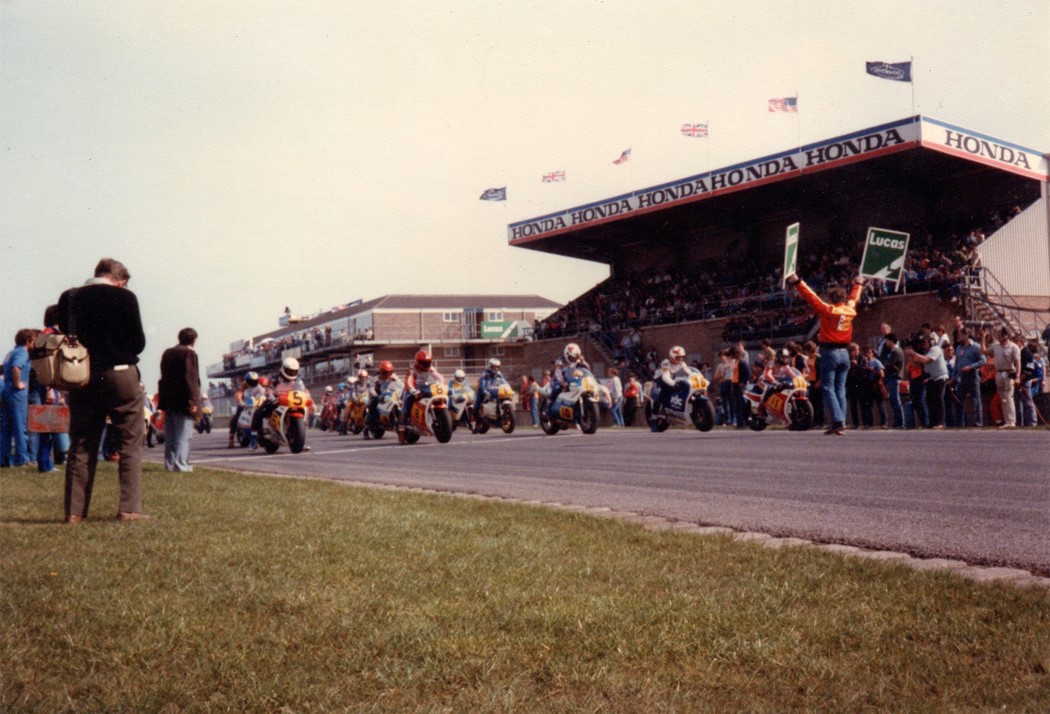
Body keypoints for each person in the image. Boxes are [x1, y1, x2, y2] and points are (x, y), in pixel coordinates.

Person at [58, 258, 147, 523]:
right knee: (130, 441)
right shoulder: (126, 297)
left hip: (82, 374)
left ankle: (75, 512)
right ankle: (129, 509)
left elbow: (66, 332)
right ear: (120, 280)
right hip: (121, 373)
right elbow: (138, 342)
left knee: (82, 443)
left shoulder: (70, 297)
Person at [786, 272, 864, 435]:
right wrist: (858, 284)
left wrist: (797, 281)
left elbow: (811, 297)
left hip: (830, 352)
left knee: (828, 387)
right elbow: (854, 298)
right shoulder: (849, 309)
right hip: (845, 354)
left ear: (831, 298)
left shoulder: (828, 310)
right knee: (840, 388)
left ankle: (838, 420)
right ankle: (841, 420)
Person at [157, 327, 202, 472]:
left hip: (168, 400)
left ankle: (169, 465)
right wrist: (193, 401)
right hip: (183, 401)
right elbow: (190, 379)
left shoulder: (167, 352)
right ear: (193, 340)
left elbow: (163, 376)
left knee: (170, 435)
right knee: (184, 434)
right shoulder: (189, 353)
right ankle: (182, 465)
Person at [1, 328, 36, 468]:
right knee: (20, 426)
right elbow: (17, 367)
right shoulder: (22, 352)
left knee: (6, 428)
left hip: (7, 390)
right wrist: (18, 384)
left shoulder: (11, 352)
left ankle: (3, 458)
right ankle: (23, 459)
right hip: (17, 393)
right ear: (28, 341)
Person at [401, 350, 444, 443]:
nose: (426, 364)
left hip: (424, 388)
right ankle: (401, 433)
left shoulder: (431, 369)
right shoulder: (412, 369)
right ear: (418, 362)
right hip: (412, 390)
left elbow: (439, 377)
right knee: (405, 408)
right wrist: (413, 391)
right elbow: (408, 381)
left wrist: (443, 384)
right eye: (424, 363)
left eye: (428, 362)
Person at [981, 327, 1021, 428]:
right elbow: (984, 351)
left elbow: (1017, 362)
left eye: (1000, 334)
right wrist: (983, 338)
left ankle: (1011, 421)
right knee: (1003, 398)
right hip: (999, 373)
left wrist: (1018, 376)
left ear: (1005, 335)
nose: (998, 336)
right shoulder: (996, 346)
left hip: (1009, 372)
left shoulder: (1013, 347)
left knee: (1008, 397)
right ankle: (1006, 421)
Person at [908, 333, 949, 429]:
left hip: (939, 377)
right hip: (931, 378)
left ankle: (940, 422)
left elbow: (926, 360)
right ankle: (932, 422)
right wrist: (910, 355)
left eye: (924, 342)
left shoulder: (935, 349)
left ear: (930, 342)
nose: (922, 345)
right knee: (930, 400)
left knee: (938, 399)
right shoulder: (925, 352)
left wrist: (914, 354)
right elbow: (916, 365)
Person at [953, 329, 985, 427]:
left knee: (976, 401)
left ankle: (977, 423)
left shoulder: (975, 347)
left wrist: (971, 367)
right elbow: (957, 363)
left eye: (960, 335)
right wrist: (954, 376)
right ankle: (960, 424)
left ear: (966, 335)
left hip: (972, 377)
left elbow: (983, 360)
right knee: (959, 401)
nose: (958, 338)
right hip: (961, 378)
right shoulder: (958, 348)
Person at [650, 346, 692, 419]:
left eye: (682, 357)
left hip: (671, 379)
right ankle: (654, 418)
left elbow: (690, 372)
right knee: (659, 395)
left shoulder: (682, 363)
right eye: (678, 357)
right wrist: (673, 384)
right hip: (660, 380)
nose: (681, 359)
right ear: (673, 357)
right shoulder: (666, 363)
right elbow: (665, 376)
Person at [878, 333, 906, 429]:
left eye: (887, 340)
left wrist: (886, 365)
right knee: (893, 401)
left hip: (894, 377)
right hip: (891, 378)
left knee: (896, 400)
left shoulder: (897, 352)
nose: (886, 342)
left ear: (891, 341)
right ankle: (897, 422)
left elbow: (894, 366)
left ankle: (900, 423)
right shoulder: (892, 351)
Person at [228, 371, 260, 448]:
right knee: (235, 418)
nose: (252, 383)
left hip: (257, 405)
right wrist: (241, 402)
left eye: (254, 381)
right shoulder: (243, 385)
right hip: (245, 404)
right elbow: (238, 394)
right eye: (250, 381)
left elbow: (265, 392)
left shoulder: (259, 386)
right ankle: (231, 440)